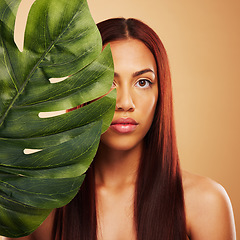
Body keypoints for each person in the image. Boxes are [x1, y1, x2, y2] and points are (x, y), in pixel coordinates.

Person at [4, 17, 236, 240]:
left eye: (142, 82)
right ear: (82, 90)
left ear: (161, 93)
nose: (125, 102)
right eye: (106, 81)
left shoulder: (205, 202)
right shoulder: (39, 202)